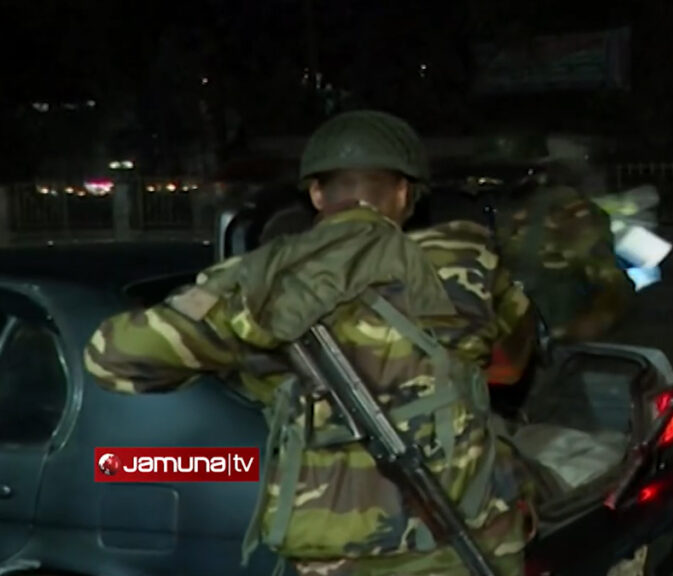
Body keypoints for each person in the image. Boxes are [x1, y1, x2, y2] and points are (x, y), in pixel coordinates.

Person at [84, 110, 535, 576]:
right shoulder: (468, 260)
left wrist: (246, 334)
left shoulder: (258, 282)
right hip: (469, 539)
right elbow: (513, 361)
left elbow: (108, 358)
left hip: (336, 553)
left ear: (317, 193)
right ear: (405, 192)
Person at [472, 132, 635, 344]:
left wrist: (593, 323)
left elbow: (612, 284)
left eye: (505, 170)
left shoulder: (566, 211)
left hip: (549, 347)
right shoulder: (463, 209)